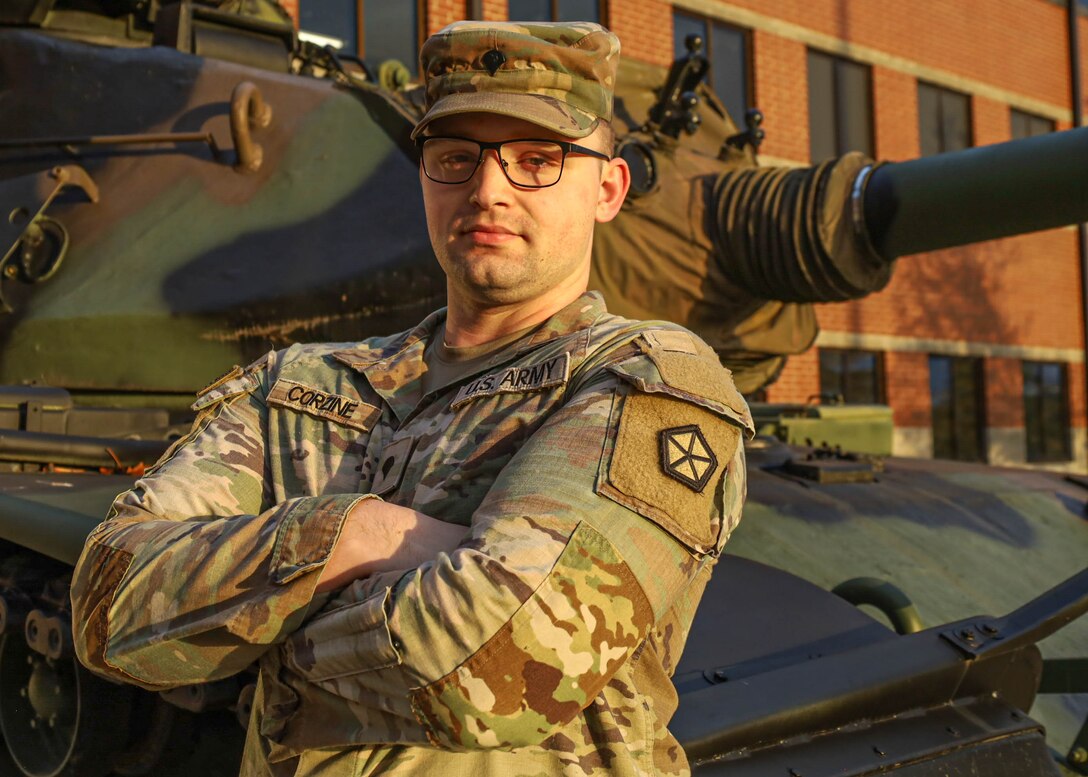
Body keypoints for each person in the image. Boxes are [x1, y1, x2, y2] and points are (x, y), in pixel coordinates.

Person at [70, 19, 754, 777]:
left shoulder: (646, 379)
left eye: (538, 159)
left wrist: (258, 638)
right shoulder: (300, 385)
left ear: (609, 187)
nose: (489, 190)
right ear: (424, 176)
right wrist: (353, 534)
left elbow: (500, 670)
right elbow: (107, 603)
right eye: (456, 157)